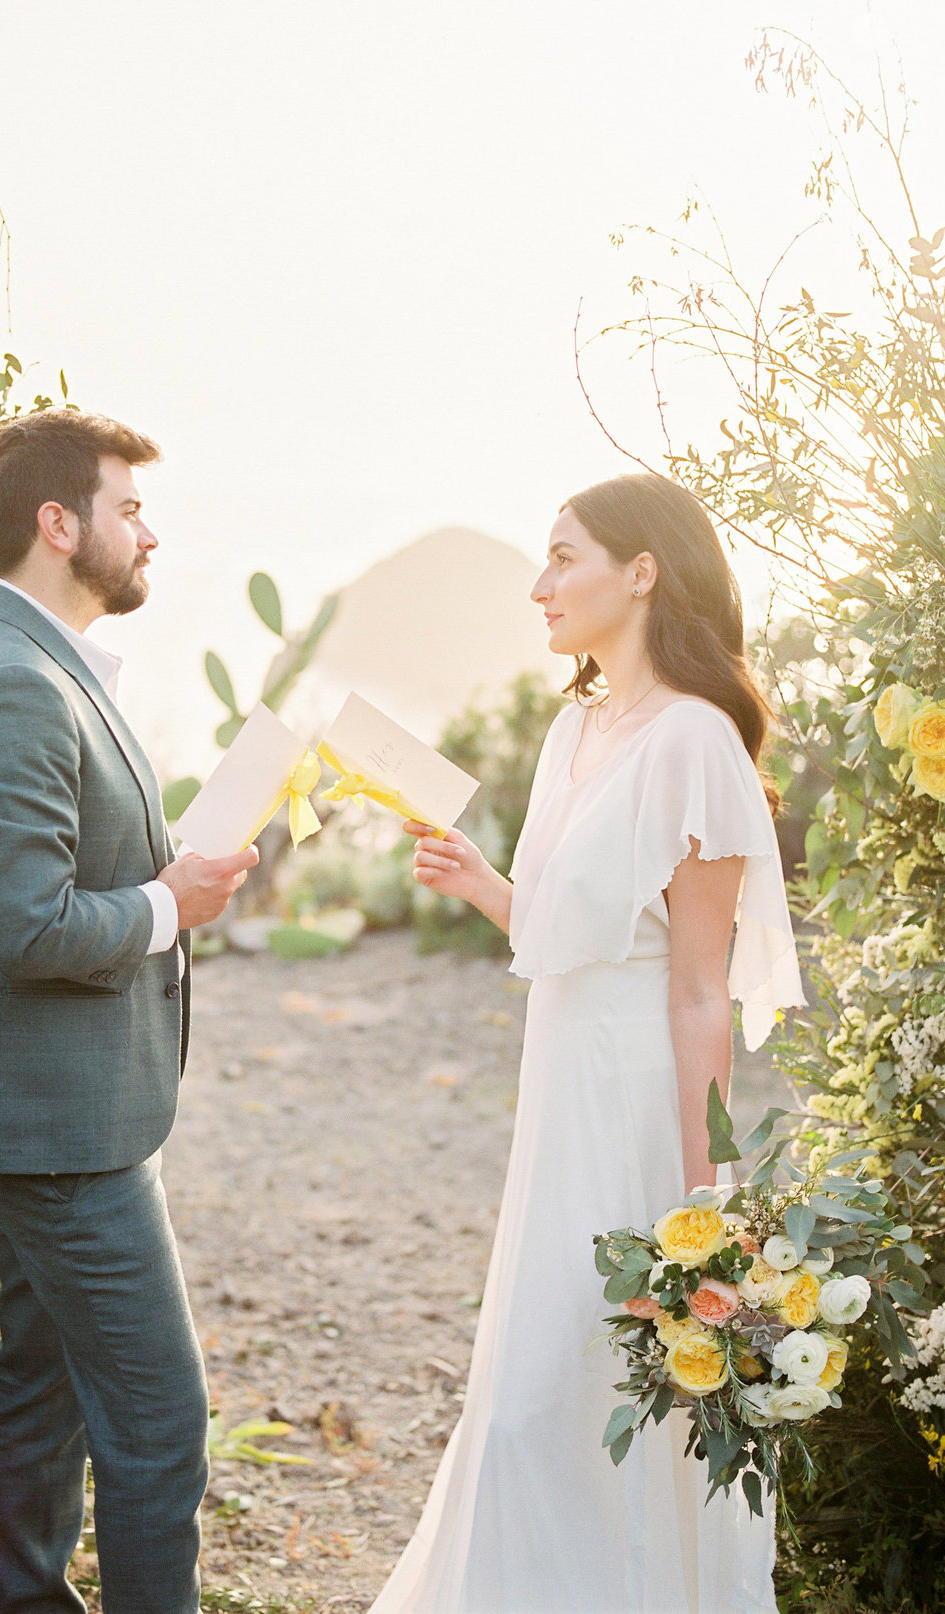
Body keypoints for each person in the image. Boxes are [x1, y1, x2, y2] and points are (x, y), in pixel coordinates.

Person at [371, 474, 805, 1614]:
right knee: (534, 1396)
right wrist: (484, 884)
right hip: (558, 1096)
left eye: (563, 557)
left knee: (568, 1399)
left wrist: (704, 1205)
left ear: (642, 569)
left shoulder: (697, 741)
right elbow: (581, 935)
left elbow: (698, 990)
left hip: (637, 1109)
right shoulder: (578, 726)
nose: (538, 585)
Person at [0, 409, 258, 1614]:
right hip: (57, 1131)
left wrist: (180, 879)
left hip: (62, 1110)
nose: (149, 534)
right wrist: (169, 906)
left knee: (43, 1387)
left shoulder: (45, 665)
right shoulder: (11, 684)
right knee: (161, 1420)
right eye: (129, 508)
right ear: (59, 524)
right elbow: (26, 924)